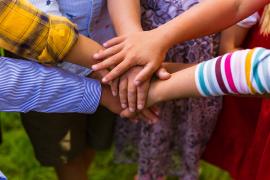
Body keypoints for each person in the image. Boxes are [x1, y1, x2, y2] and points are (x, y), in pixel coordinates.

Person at [110, 1, 222, 179]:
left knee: (188, 119)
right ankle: (150, 171)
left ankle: (185, 162)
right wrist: (136, 50)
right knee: (154, 119)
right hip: (146, 39)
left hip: (198, 51)